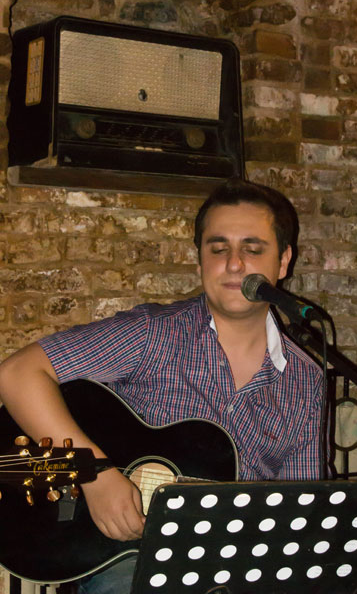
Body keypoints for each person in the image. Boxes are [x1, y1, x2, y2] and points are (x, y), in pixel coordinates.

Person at [0, 179, 327, 593]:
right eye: (218, 249)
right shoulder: (153, 334)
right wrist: (96, 474)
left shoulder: (306, 381)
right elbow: (19, 373)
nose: (234, 264)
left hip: (237, 563)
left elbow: (300, 511)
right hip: (128, 558)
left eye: (253, 248)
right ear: (200, 261)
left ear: (283, 261)